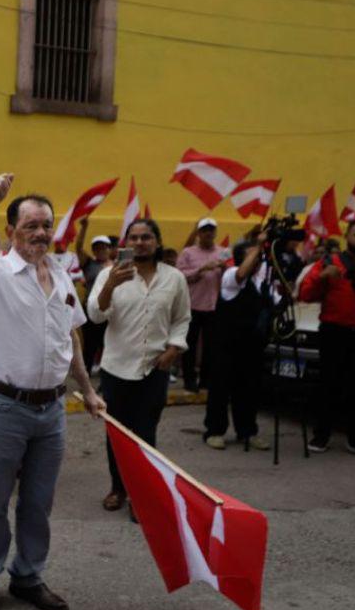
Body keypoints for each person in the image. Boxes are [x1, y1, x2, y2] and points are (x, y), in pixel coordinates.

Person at [0, 189, 106, 610]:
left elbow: (71, 338)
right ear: (12, 229)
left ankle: (28, 576)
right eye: (30, 225)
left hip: (51, 411)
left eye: (45, 225)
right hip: (3, 406)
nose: (40, 233)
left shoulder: (61, 275)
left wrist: (88, 390)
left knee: (38, 503)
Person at [87, 218, 190, 512]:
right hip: (116, 369)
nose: (140, 242)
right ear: (126, 243)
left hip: (154, 369)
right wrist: (111, 284)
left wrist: (173, 349)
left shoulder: (174, 278)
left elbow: (182, 318)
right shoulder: (109, 274)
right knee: (118, 435)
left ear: (157, 242)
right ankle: (118, 488)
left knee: (146, 435)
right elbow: (95, 315)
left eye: (146, 237)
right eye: (133, 237)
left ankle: (141, 496)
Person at [203, 235, 276, 451]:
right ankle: (215, 431)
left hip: (252, 346)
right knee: (220, 389)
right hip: (226, 345)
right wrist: (259, 245)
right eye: (252, 256)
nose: (257, 261)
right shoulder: (231, 275)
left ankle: (247, 431)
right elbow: (242, 273)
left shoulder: (262, 284)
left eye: (258, 258)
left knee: (249, 390)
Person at [299, 220, 355, 454]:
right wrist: (322, 277)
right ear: (347, 235)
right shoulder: (330, 262)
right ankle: (321, 435)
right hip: (334, 332)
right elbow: (305, 294)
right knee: (328, 385)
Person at [176, 217, 228, 393]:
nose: (208, 233)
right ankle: (189, 380)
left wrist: (225, 268)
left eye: (211, 230)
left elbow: (232, 277)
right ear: (198, 233)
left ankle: (205, 379)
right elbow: (179, 276)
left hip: (214, 305)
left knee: (211, 345)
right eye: (205, 230)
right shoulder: (188, 253)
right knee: (189, 345)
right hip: (192, 305)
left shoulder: (223, 252)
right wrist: (200, 269)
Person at [76, 225, 113, 374]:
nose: (101, 250)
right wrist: (84, 228)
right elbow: (79, 247)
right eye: (97, 248)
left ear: (110, 249)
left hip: (110, 309)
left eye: (104, 247)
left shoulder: (117, 265)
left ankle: (108, 372)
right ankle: (86, 372)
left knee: (108, 342)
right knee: (89, 343)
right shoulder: (88, 264)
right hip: (90, 308)